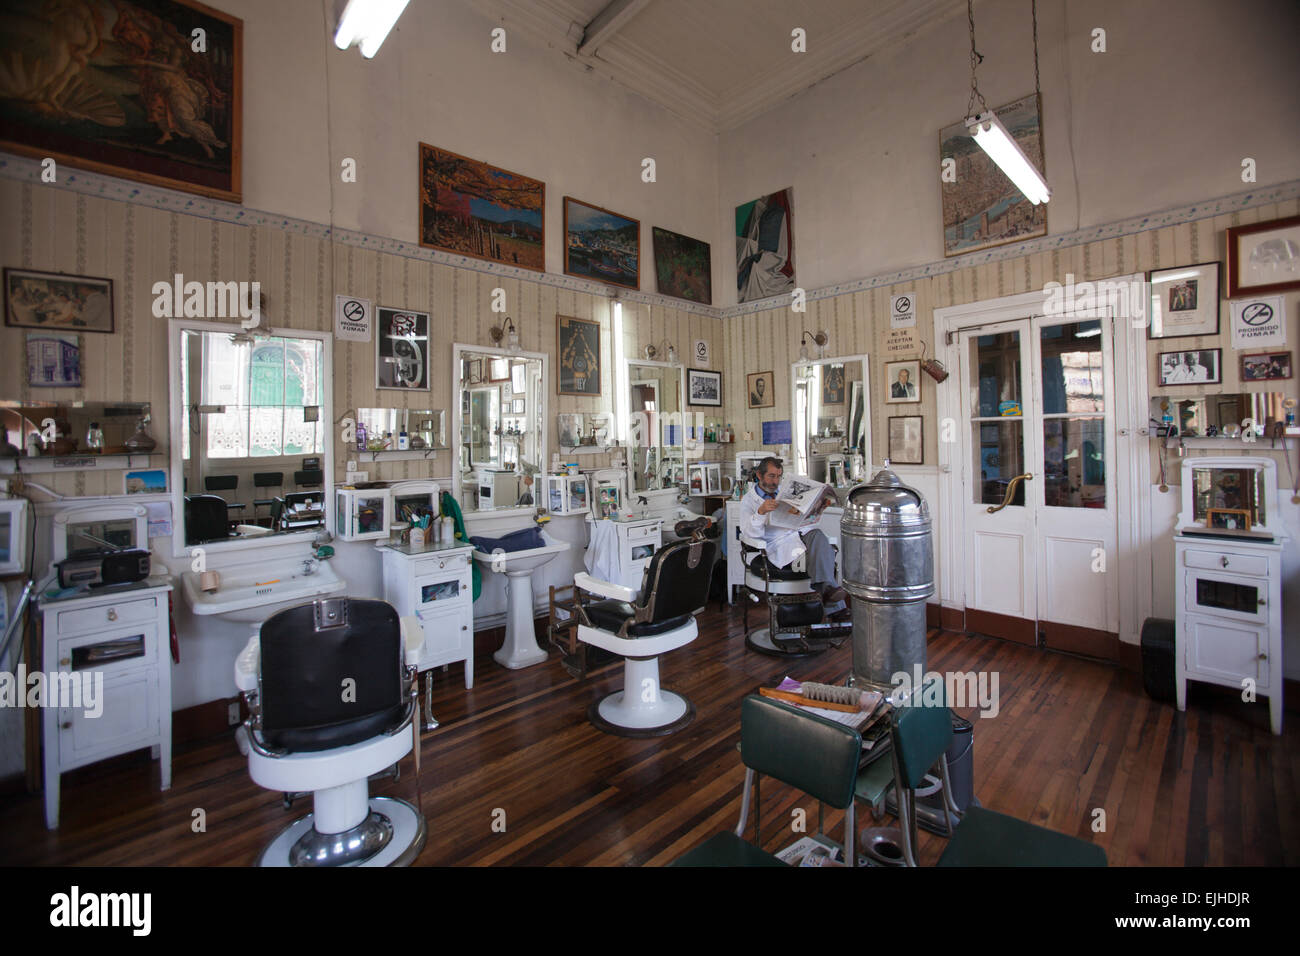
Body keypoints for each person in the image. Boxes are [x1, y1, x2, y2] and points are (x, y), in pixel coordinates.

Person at [739, 457, 846, 611]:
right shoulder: (748, 501)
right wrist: (761, 512)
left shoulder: (786, 492)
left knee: (818, 536)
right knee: (824, 553)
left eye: (779, 476)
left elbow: (806, 521)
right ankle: (835, 606)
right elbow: (750, 534)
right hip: (780, 546)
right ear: (759, 475)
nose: (776, 481)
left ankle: (830, 594)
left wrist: (815, 509)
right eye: (771, 476)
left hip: (801, 536)